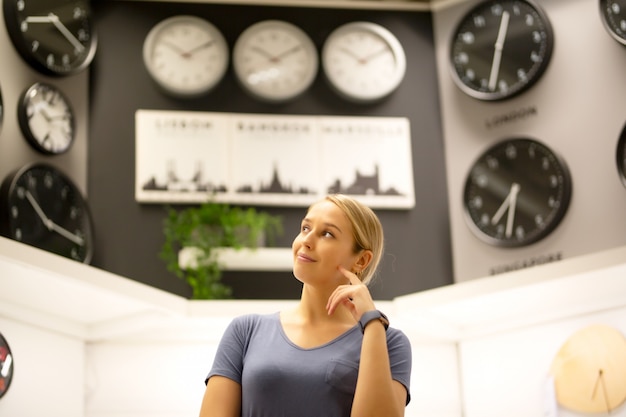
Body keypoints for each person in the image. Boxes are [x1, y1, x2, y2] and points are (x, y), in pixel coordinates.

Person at [199, 194, 412, 417]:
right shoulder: (246, 331)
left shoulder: (389, 343)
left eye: (327, 234)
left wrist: (372, 323)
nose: (306, 241)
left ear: (361, 260)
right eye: (305, 228)